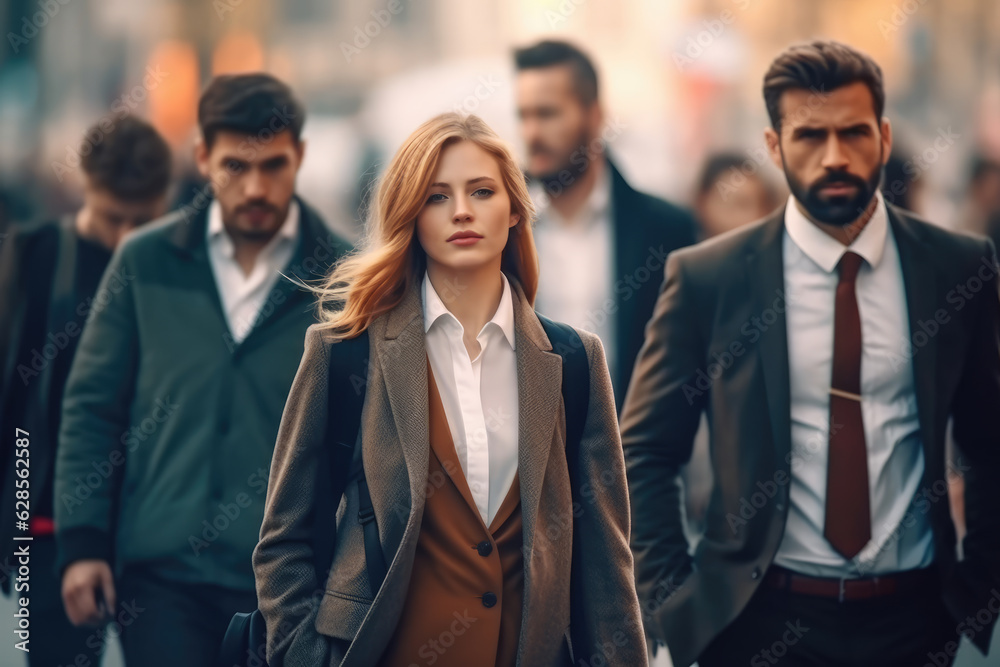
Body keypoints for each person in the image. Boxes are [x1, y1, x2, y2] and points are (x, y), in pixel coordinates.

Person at [621, 40, 1000, 667]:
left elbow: (990, 441)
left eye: (853, 133)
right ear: (774, 147)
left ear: (882, 136)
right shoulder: (708, 278)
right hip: (757, 622)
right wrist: (674, 602)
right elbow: (643, 450)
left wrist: (979, 587)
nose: (835, 157)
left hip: (916, 621)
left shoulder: (955, 266)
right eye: (809, 136)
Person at [252, 112, 645, 667]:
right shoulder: (344, 352)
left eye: (481, 191)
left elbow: (607, 563)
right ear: (412, 216)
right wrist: (304, 656)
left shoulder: (575, 362)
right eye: (437, 197)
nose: (462, 210)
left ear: (513, 209)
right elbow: (284, 540)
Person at [54, 73, 351, 666]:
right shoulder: (146, 259)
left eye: (273, 165)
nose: (256, 187)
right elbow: (92, 405)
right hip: (161, 578)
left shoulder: (346, 277)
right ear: (201, 158)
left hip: (289, 587)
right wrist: (83, 542)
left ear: (302, 157)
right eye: (234, 167)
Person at [0, 115, 171, 667]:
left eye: (141, 221)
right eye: (112, 218)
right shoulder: (36, 258)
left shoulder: (180, 268)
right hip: (44, 528)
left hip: (155, 530)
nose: (126, 238)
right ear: (85, 190)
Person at [513, 40, 696, 410]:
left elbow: (688, 363)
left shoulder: (664, 230)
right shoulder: (501, 225)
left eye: (547, 114)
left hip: (630, 455)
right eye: (523, 115)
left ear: (595, 116)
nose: (531, 133)